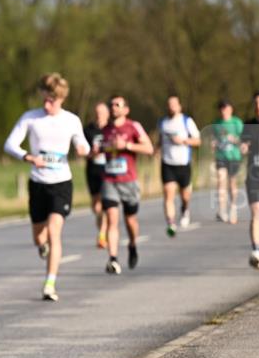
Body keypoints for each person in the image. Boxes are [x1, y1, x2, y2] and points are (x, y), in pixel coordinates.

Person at [4, 73, 90, 301]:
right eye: (43, 99)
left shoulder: (71, 120)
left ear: (61, 98)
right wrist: (28, 157)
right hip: (38, 183)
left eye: (51, 100)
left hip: (61, 183)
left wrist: (82, 148)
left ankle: (50, 283)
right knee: (39, 237)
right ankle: (42, 247)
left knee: (54, 231)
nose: (46, 104)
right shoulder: (31, 118)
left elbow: (82, 143)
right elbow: (10, 144)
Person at [97, 95, 154, 274]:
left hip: (128, 181)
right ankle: (113, 258)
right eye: (111, 105)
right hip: (109, 180)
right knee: (112, 219)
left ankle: (132, 244)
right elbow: (97, 150)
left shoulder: (133, 126)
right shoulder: (105, 130)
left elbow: (149, 148)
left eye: (117, 105)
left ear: (125, 109)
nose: (113, 107)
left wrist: (127, 145)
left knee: (130, 220)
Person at [156, 94, 201, 237]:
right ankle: (171, 223)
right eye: (169, 104)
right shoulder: (162, 122)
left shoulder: (186, 121)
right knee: (168, 193)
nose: (171, 107)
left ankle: (185, 208)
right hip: (167, 163)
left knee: (185, 195)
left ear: (179, 106)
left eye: (174, 104)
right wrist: (155, 150)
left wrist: (183, 141)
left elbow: (198, 141)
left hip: (183, 163)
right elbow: (160, 140)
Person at [240, 90, 259, 270]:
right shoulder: (249, 125)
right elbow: (243, 145)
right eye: (255, 103)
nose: (258, 107)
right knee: (257, 211)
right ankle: (256, 251)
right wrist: (243, 146)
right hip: (255, 176)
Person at [83, 102, 111, 249]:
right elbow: (81, 151)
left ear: (107, 114)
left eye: (102, 112)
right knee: (96, 206)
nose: (99, 115)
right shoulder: (88, 130)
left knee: (104, 203)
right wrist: (92, 153)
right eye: (97, 112)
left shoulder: (112, 129)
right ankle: (102, 230)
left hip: (108, 169)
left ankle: (102, 234)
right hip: (93, 169)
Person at [212, 99, 244, 224]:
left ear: (231, 109)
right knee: (220, 180)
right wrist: (214, 143)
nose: (223, 111)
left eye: (226, 108)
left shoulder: (237, 123)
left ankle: (233, 207)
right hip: (221, 156)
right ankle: (222, 210)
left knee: (232, 182)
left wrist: (234, 139)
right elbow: (215, 138)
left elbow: (244, 141)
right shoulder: (217, 123)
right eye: (221, 108)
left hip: (234, 156)